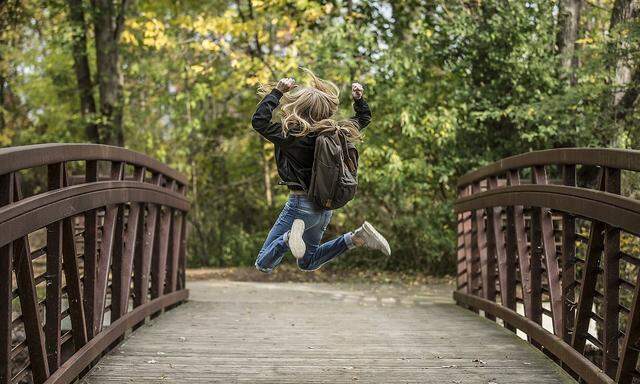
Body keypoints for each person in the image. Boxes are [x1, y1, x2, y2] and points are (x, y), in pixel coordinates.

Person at [252, 69, 391, 273]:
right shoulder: (336, 133)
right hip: (324, 208)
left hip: (300, 206)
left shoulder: (291, 135)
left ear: (299, 107)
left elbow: (259, 122)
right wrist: (359, 101)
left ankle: (288, 238)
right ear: (324, 110)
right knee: (308, 262)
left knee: (263, 263)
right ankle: (356, 238)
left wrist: (277, 92)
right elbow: (363, 119)